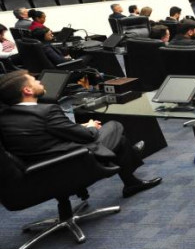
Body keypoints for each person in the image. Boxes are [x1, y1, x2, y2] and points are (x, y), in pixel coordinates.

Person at [0, 70, 161, 198]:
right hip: (72, 161)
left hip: (38, 170)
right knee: (114, 127)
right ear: (27, 90)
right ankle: (130, 160)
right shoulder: (46, 111)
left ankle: (131, 175)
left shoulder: (5, 117)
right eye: (34, 81)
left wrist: (74, 126)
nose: (40, 81)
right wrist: (90, 127)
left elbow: (40, 136)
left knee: (119, 140)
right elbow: (88, 137)